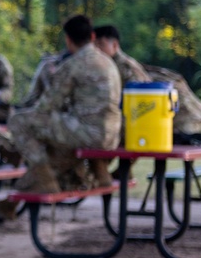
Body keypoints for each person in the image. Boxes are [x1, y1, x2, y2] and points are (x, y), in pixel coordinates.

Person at [6, 15, 122, 194]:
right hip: (112, 135)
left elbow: (46, 106)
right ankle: (99, 173)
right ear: (92, 37)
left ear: (68, 40)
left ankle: (45, 179)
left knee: (18, 121)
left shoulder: (73, 65)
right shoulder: (109, 63)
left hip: (88, 134)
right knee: (58, 134)